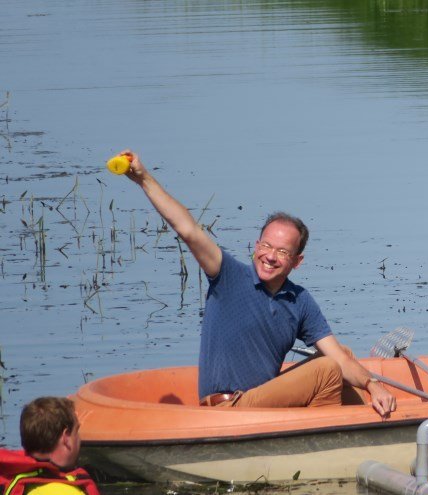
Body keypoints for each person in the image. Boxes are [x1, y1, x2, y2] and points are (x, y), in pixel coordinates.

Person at [118, 150, 395, 416]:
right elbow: (188, 229)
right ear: (256, 245)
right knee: (326, 370)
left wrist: (374, 386)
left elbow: (340, 358)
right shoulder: (228, 275)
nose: (270, 257)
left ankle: (352, 426)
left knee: (340, 356)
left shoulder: (299, 301)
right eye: (266, 246)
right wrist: (143, 178)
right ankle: (328, 436)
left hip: (263, 404)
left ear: (296, 261)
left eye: (282, 252)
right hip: (230, 409)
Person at [0, 397, 100, 495]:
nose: (79, 438)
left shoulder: (11, 478)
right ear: (66, 437)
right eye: (76, 431)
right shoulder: (67, 492)